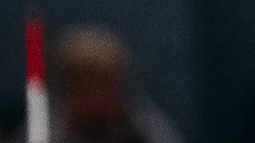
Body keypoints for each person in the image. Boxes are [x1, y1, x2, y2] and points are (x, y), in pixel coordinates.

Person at [45, 29, 182, 143]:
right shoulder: (45, 130)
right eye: (83, 83)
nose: (94, 94)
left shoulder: (149, 130)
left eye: (102, 82)